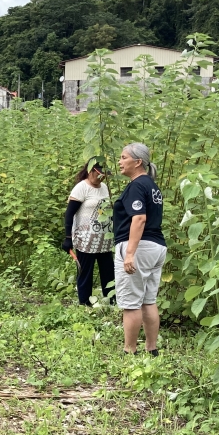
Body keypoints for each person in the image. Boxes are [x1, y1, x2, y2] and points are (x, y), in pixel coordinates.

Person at [113, 143, 167, 356]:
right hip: (156, 247)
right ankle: (151, 349)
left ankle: (129, 351)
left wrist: (129, 254)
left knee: (131, 303)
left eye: (124, 157)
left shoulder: (137, 185)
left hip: (139, 247)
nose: (120, 161)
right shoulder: (152, 186)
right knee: (148, 300)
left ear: (137, 162)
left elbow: (139, 218)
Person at [62, 160, 114, 306]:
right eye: (99, 175)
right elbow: (69, 213)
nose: (102, 178)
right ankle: (85, 304)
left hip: (104, 238)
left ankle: (112, 302)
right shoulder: (81, 188)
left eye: (104, 176)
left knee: (108, 273)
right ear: (91, 171)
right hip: (86, 239)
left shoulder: (104, 187)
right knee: (85, 272)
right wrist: (68, 238)